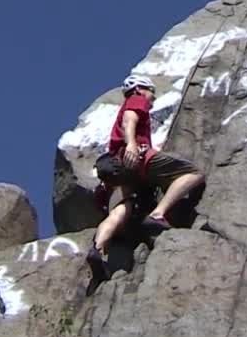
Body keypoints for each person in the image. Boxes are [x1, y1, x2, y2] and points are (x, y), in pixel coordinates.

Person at [85, 74, 206, 272]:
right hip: (136, 157)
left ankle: (97, 248)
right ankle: (158, 214)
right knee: (194, 173)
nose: (153, 97)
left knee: (125, 207)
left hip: (118, 168)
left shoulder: (129, 106)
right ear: (139, 89)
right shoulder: (136, 99)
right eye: (151, 92)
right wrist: (131, 144)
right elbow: (129, 120)